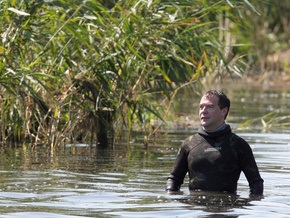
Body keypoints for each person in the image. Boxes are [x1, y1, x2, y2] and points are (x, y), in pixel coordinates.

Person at [166, 90, 264, 196]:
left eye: (210, 107)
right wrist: (174, 201)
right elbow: (173, 180)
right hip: (196, 210)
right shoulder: (189, 144)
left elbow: (256, 183)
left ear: (224, 111)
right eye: (201, 107)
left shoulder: (238, 145)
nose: (203, 111)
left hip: (227, 208)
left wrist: (249, 206)